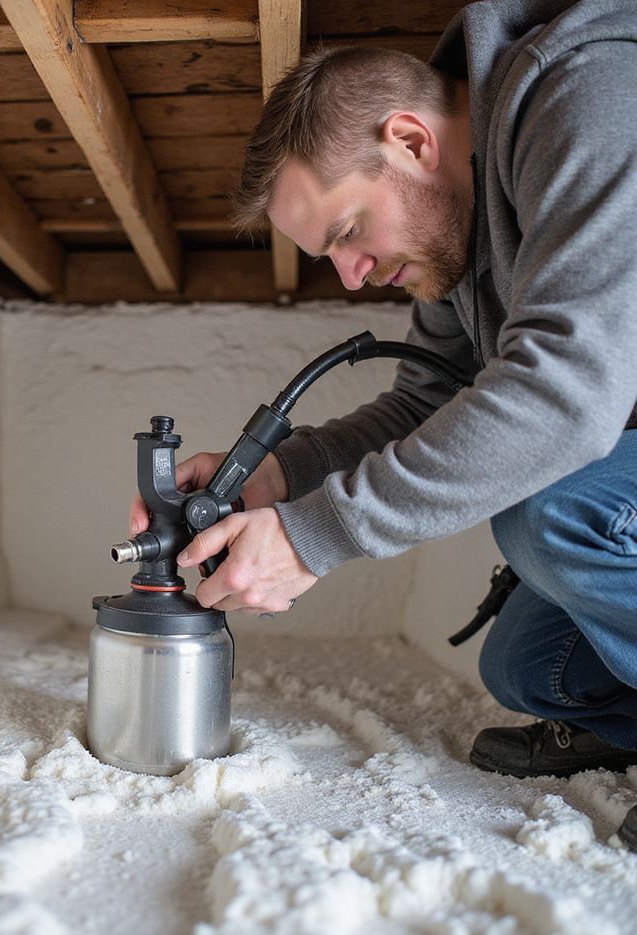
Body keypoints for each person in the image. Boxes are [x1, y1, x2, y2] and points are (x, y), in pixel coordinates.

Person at [129, 0, 637, 849]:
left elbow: (570, 395)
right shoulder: (462, 233)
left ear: (409, 140)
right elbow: (423, 401)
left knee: (552, 516)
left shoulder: (588, 91)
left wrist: (313, 537)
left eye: (349, 233)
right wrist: (275, 479)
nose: (356, 277)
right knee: (528, 667)